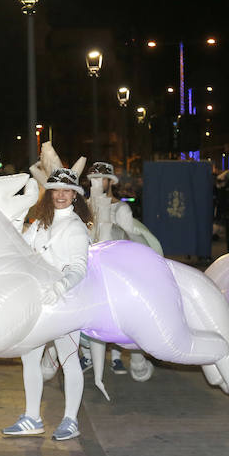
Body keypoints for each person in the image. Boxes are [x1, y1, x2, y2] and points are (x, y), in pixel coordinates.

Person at [2, 168, 91, 441]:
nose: (61, 195)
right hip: (38, 303)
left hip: (65, 302)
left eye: (67, 191)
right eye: (56, 190)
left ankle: (70, 419)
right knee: (30, 359)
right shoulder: (41, 223)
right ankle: (32, 417)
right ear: (49, 193)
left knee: (68, 360)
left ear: (75, 196)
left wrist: (61, 286)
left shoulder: (75, 227)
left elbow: (79, 267)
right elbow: (20, 248)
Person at [84, 161, 154, 379]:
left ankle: (116, 355)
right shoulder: (84, 206)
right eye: (94, 179)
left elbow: (130, 236)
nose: (98, 183)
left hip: (115, 265)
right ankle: (86, 352)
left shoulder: (121, 208)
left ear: (110, 182)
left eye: (102, 179)